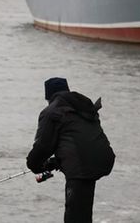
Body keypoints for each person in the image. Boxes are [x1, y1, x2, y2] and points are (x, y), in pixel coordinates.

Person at [26, 77, 115, 223]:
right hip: (102, 159)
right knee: (82, 212)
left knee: (75, 215)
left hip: (80, 166)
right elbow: (77, 139)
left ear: (48, 96)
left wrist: (34, 165)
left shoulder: (51, 112)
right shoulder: (81, 107)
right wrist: (56, 161)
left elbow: (43, 146)